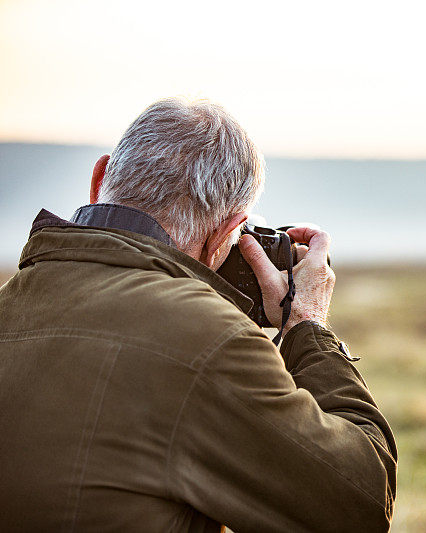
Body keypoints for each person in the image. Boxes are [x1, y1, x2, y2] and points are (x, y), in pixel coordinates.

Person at [0, 98, 397, 531]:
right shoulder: (211, 342)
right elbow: (359, 505)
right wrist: (307, 323)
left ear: (98, 181)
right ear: (226, 234)